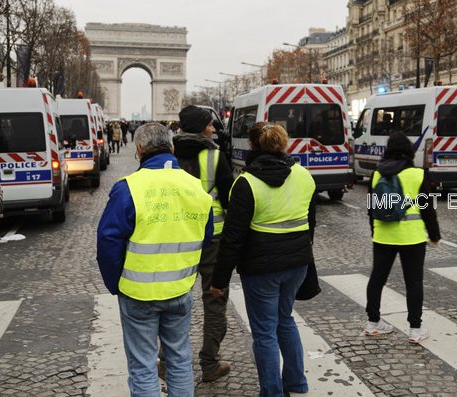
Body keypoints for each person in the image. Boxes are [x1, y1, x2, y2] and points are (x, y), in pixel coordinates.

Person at [96, 122, 214, 397]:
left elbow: (108, 243)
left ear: (139, 149)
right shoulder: (196, 188)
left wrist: (117, 284)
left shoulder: (128, 188)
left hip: (137, 293)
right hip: (180, 289)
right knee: (180, 360)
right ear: (172, 147)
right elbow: (205, 237)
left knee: (143, 367)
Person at [211, 123, 316, 397]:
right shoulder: (304, 175)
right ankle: (296, 382)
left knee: (265, 332)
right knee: (285, 320)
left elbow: (233, 237)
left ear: (253, 145)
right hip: (297, 264)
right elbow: (310, 224)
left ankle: (272, 391)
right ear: (285, 144)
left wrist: (219, 280)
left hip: (261, 269)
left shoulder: (245, 183)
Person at [156, 106, 234, 382]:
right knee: (214, 298)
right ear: (202, 128)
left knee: (174, 298)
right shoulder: (215, 156)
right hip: (212, 237)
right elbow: (229, 199)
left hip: (177, 234)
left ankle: (166, 361)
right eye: (211, 125)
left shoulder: (168, 156)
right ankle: (210, 363)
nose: (214, 128)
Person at [365, 132, 441, 344]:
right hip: (412, 237)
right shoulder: (418, 174)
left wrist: (375, 231)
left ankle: (373, 323)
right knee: (414, 282)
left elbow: (371, 209)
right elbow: (427, 209)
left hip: (383, 236)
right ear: (409, 151)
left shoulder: (376, 174)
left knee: (377, 279)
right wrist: (434, 235)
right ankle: (415, 329)